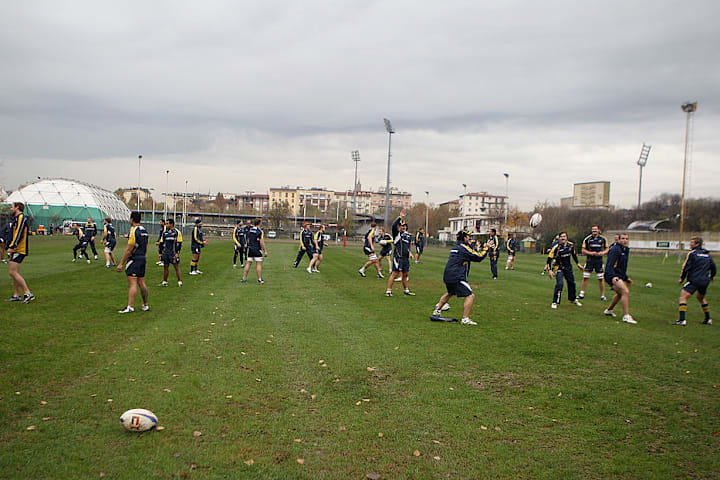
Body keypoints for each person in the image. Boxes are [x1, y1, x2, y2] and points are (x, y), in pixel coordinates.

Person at [432, 230, 491, 325]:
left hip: (448, 275)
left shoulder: (456, 247)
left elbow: (469, 253)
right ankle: (465, 318)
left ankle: (437, 311)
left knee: (450, 293)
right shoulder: (464, 248)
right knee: (470, 296)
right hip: (457, 276)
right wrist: (486, 249)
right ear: (464, 238)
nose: (470, 238)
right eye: (468, 236)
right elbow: (478, 257)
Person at [674, 237, 716, 326]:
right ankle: (708, 319)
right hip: (705, 280)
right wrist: (712, 277)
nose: (690, 244)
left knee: (683, 297)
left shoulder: (692, 254)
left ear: (697, 244)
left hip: (695, 280)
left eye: (692, 243)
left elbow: (686, 267)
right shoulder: (707, 254)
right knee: (701, 298)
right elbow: (713, 267)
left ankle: (682, 320)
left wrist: (682, 278)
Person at [116, 211, 149, 313]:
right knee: (141, 282)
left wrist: (121, 263)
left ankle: (130, 306)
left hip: (135, 259)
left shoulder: (133, 231)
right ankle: (145, 305)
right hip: (143, 257)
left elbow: (129, 249)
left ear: (132, 219)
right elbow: (146, 246)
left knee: (133, 283)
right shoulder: (144, 230)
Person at [5, 202, 34, 303]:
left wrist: (12, 247)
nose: (10, 209)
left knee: (12, 272)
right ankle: (17, 294)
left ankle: (27, 293)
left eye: (12, 207)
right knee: (14, 272)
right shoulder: (16, 219)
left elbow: (19, 234)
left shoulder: (21, 218)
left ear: (17, 207)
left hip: (19, 249)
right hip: (16, 249)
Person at [603, 233, 635, 324]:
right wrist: (613, 277)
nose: (625, 240)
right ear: (619, 239)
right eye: (623, 238)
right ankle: (626, 316)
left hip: (618, 275)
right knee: (625, 291)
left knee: (620, 293)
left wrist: (626, 278)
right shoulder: (615, 249)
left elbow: (622, 267)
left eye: (627, 239)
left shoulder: (626, 250)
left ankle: (609, 310)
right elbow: (609, 265)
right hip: (611, 275)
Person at [547, 232, 583, 309]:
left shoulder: (571, 246)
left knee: (572, 284)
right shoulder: (556, 248)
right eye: (561, 237)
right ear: (559, 238)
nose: (563, 238)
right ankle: (555, 302)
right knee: (560, 284)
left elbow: (574, 255)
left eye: (564, 236)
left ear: (566, 238)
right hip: (559, 268)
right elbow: (549, 259)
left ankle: (572, 299)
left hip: (568, 268)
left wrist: (578, 264)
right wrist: (550, 270)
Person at [385, 210, 415, 297]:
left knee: (405, 274)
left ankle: (406, 290)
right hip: (398, 257)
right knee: (395, 273)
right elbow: (394, 225)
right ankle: (388, 291)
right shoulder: (397, 235)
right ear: (399, 227)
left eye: (404, 226)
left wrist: (410, 253)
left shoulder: (408, 236)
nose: (403, 227)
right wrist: (400, 217)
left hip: (405, 258)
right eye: (401, 226)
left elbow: (408, 246)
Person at [579, 225, 609, 301]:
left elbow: (607, 248)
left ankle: (602, 295)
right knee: (586, 277)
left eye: (595, 230)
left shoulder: (603, 239)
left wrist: (603, 253)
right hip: (589, 260)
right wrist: (590, 253)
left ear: (598, 230)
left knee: (600, 278)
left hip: (599, 261)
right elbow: (583, 250)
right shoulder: (587, 239)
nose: (594, 231)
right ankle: (581, 293)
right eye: (593, 230)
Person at [159, 218, 183, 287]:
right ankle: (165, 282)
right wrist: (160, 253)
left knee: (176, 267)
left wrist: (177, 253)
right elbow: (161, 242)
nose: (166, 225)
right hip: (166, 253)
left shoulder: (177, 232)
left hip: (173, 253)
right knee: (165, 267)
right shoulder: (165, 233)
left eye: (167, 223)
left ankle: (180, 282)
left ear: (171, 224)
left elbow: (179, 243)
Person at [243, 218, 268, 283]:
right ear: (259, 223)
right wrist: (265, 251)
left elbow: (248, 239)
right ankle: (259, 279)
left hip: (250, 249)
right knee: (258, 264)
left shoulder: (250, 230)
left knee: (248, 263)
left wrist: (249, 245)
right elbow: (261, 242)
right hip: (257, 249)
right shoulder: (260, 231)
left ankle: (244, 278)